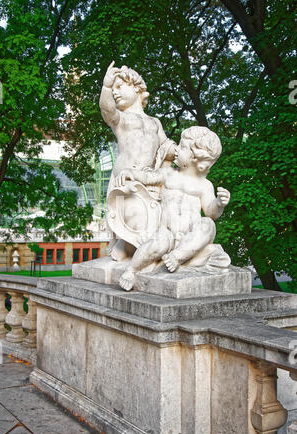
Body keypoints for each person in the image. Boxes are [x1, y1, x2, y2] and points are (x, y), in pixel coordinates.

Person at [114, 126, 231, 291]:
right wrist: (131, 174)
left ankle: (177, 257)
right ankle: (131, 270)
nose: (177, 149)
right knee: (156, 244)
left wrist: (219, 203)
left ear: (196, 159)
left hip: (190, 237)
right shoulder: (169, 174)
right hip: (167, 232)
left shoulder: (205, 185)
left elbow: (211, 213)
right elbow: (149, 177)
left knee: (208, 225)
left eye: (183, 148)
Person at [99, 62, 175, 261]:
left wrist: (187, 151)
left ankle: (136, 248)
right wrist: (106, 87)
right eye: (113, 90)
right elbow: (107, 111)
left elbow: (167, 146)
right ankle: (126, 245)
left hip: (148, 180)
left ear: (136, 87)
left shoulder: (154, 122)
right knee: (134, 222)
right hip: (125, 181)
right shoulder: (121, 119)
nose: (115, 93)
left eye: (118, 87)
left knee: (154, 220)